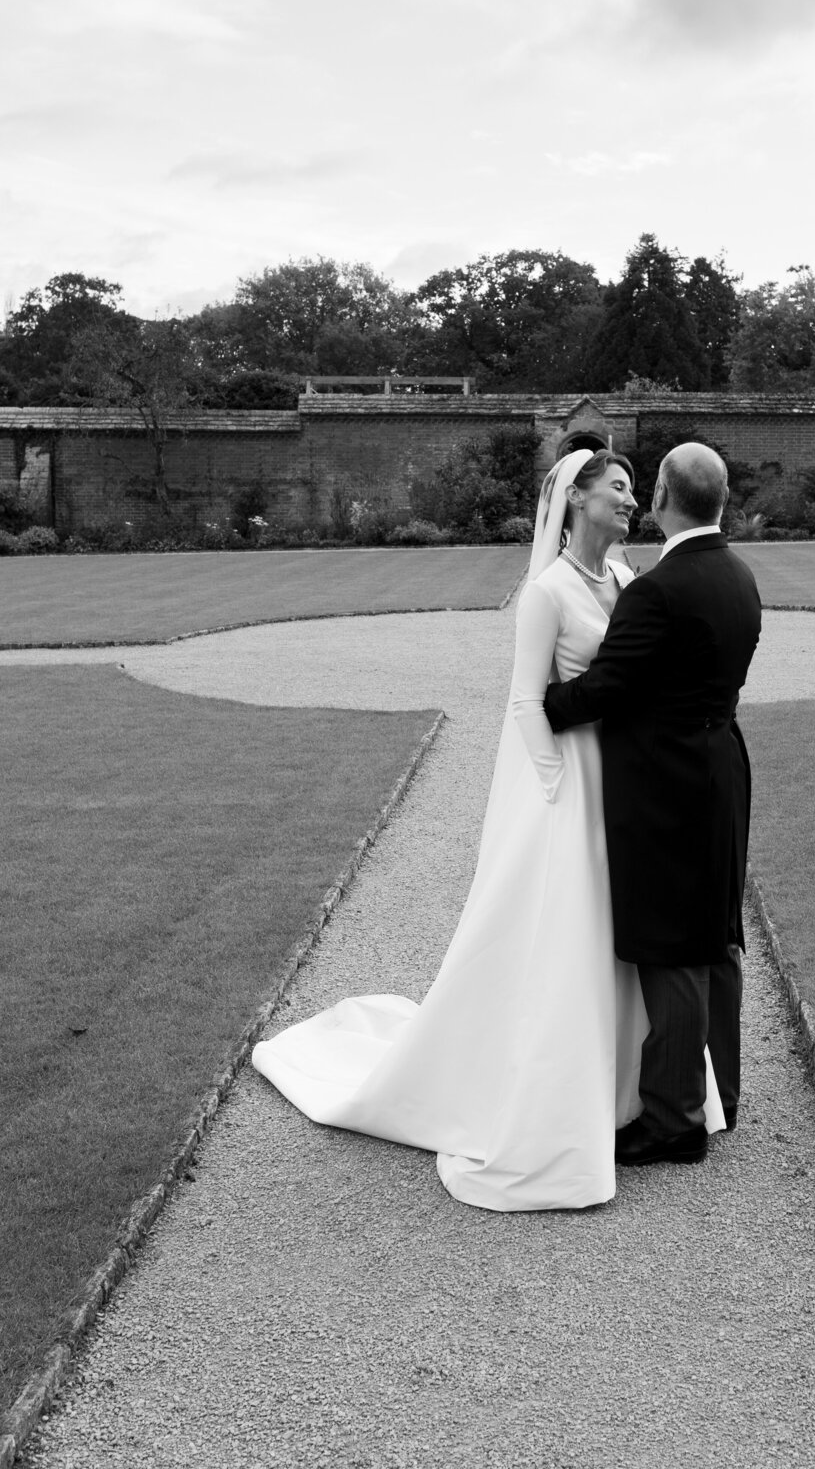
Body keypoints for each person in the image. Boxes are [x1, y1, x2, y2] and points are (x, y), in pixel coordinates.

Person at [251, 446, 725, 1211]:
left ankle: (630, 1096)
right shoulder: (546, 593)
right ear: (575, 500)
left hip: (628, 782)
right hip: (570, 782)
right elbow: (522, 701)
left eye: (636, 489)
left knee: (628, 937)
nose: (632, 500)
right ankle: (553, 1102)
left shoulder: (632, 580)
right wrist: (554, 787)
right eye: (617, 488)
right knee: (572, 934)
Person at [543, 442, 762, 1168]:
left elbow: (606, 690)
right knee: (717, 932)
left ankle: (674, 1120)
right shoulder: (739, 576)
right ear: (720, 500)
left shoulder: (658, 590)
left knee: (673, 946)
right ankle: (719, 1092)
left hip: (668, 783)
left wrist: (541, 703)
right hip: (723, 767)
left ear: (665, 494)